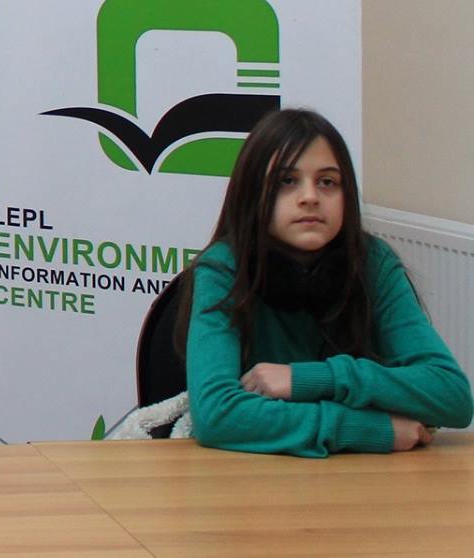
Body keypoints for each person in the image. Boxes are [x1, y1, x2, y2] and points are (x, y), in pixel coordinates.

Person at [183, 107, 472, 455]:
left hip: (358, 476)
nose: (310, 197)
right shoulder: (224, 267)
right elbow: (217, 415)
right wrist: (367, 428)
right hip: (250, 472)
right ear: (253, 193)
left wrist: (309, 379)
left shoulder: (372, 262)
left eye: (327, 182)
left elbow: (452, 396)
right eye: (287, 181)